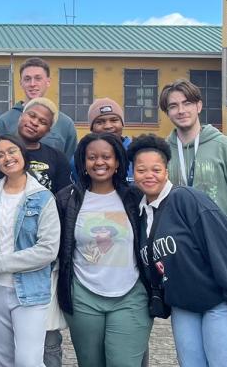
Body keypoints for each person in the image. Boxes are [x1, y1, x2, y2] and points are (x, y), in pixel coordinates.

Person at [128, 134, 227, 367]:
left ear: (166, 171)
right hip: (185, 302)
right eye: (141, 170)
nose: (149, 175)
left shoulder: (187, 200)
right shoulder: (141, 212)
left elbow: (223, 246)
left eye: (156, 169)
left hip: (224, 294)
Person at [160, 78, 227, 366]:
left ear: (199, 105)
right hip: (186, 266)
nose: (181, 110)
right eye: (173, 106)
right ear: (167, 112)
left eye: (187, 103)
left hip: (225, 261)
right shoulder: (164, 152)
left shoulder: (224, 147)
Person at [0, 135, 61, 367]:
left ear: (23, 155)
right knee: (2, 362)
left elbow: (47, 250)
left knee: (28, 361)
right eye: (0, 155)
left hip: (30, 292)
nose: (7, 158)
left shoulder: (43, 198)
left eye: (12, 151)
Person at [56, 133, 151, 366]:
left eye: (106, 157)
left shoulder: (136, 197)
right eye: (92, 157)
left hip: (131, 296)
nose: (99, 162)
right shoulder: (67, 199)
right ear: (83, 162)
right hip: (83, 297)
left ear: (117, 161)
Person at [0, 97, 71, 195]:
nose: (34, 122)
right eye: (31, 116)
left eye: (42, 122)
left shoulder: (58, 159)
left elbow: (64, 199)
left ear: (48, 131)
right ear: (21, 116)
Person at [0, 57, 77, 159]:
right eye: (27, 79)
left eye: (38, 78)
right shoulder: (4, 121)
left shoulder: (65, 124)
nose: (32, 84)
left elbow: (70, 163)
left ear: (48, 82)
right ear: (21, 83)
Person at [88, 98, 134, 184]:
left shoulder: (136, 153)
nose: (108, 126)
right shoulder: (81, 157)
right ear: (92, 128)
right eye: (100, 122)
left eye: (114, 120)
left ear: (122, 124)